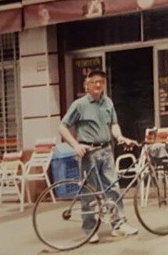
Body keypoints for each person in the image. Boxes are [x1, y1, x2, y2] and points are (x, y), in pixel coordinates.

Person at [59, 70, 139, 243]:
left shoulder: (107, 102)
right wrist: (76, 145)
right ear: (86, 85)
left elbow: (114, 124)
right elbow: (63, 127)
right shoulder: (79, 105)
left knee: (113, 188)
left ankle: (118, 224)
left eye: (101, 82)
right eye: (94, 81)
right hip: (89, 153)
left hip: (106, 151)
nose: (98, 85)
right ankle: (89, 229)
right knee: (89, 193)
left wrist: (120, 137)